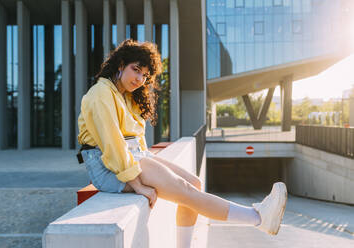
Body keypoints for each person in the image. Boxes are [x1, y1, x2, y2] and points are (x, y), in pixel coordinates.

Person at [77, 39, 287, 248]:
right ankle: (258, 218)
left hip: (134, 157)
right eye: (136, 70)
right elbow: (113, 145)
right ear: (120, 64)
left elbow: (137, 140)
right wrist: (138, 185)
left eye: (144, 75)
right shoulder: (100, 94)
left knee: (194, 183)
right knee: (185, 190)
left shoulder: (127, 97)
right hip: (108, 166)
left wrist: (152, 163)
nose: (139, 79)